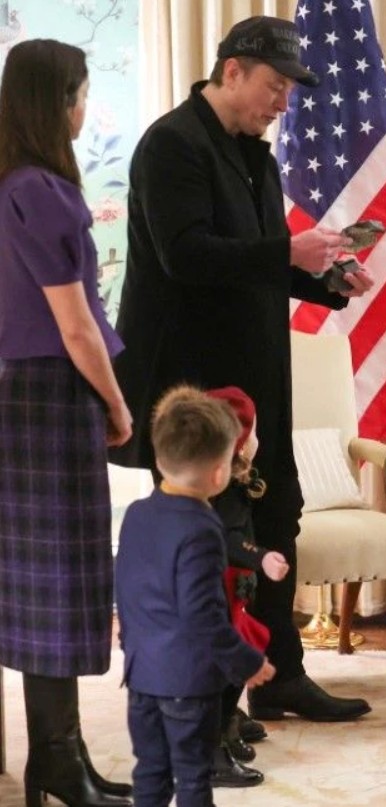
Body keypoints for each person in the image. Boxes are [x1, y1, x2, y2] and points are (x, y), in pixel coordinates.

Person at [109, 14, 373, 731]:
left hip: (259, 377)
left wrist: (328, 283)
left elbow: (259, 260)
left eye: (289, 90)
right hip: (194, 386)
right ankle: (210, 701)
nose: (283, 102)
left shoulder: (255, 154)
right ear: (232, 71)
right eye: (274, 86)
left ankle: (279, 676)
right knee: (211, 540)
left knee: (277, 513)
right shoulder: (171, 144)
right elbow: (187, 255)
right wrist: (290, 251)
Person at [0, 40, 133, 807]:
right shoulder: (43, 191)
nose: (86, 108)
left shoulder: (10, 186)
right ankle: (56, 758)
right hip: (53, 394)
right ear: (60, 102)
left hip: (18, 394)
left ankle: (61, 755)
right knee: (57, 579)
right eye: (81, 94)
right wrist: (117, 405)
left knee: (40, 582)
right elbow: (76, 326)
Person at [115, 386, 276, 805]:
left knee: (150, 771)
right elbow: (203, 615)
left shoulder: (136, 514)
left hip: (142, 675)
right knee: (192, 776)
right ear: (220, 473)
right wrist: (246, 661)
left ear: (159, 457)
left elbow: (125, 588)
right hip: (186, 681)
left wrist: (131, 649)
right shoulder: (204, 528)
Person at [206, 386, 290, 772]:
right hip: (224, 591)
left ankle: (226, 722)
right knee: (230, 665)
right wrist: (260, 558)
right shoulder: (223, 492)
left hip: (235, 590)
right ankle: (218, 733)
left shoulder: (231, 481)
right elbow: (227, 540)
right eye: (253, 432)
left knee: (234, 665)